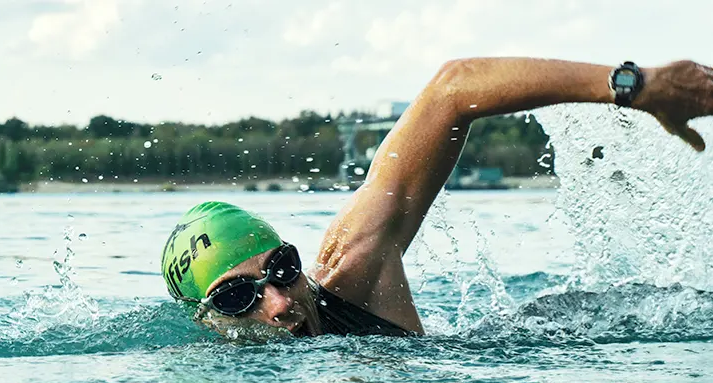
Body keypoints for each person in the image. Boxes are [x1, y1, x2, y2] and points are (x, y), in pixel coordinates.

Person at [161, 57, 713, 339]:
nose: (279, 304)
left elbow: (454, 88)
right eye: (237, 299)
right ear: (205, 320)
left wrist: (635, 86)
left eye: (282, 269)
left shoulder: (352, 271)